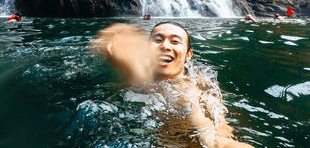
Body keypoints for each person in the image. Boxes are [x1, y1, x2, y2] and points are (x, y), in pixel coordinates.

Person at [92, 22, 253, 148]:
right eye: (158, 40)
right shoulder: (139, 73)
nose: (165, 46)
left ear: (188, 55)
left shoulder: (186, 91)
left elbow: (211, 138)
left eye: (175, 41)